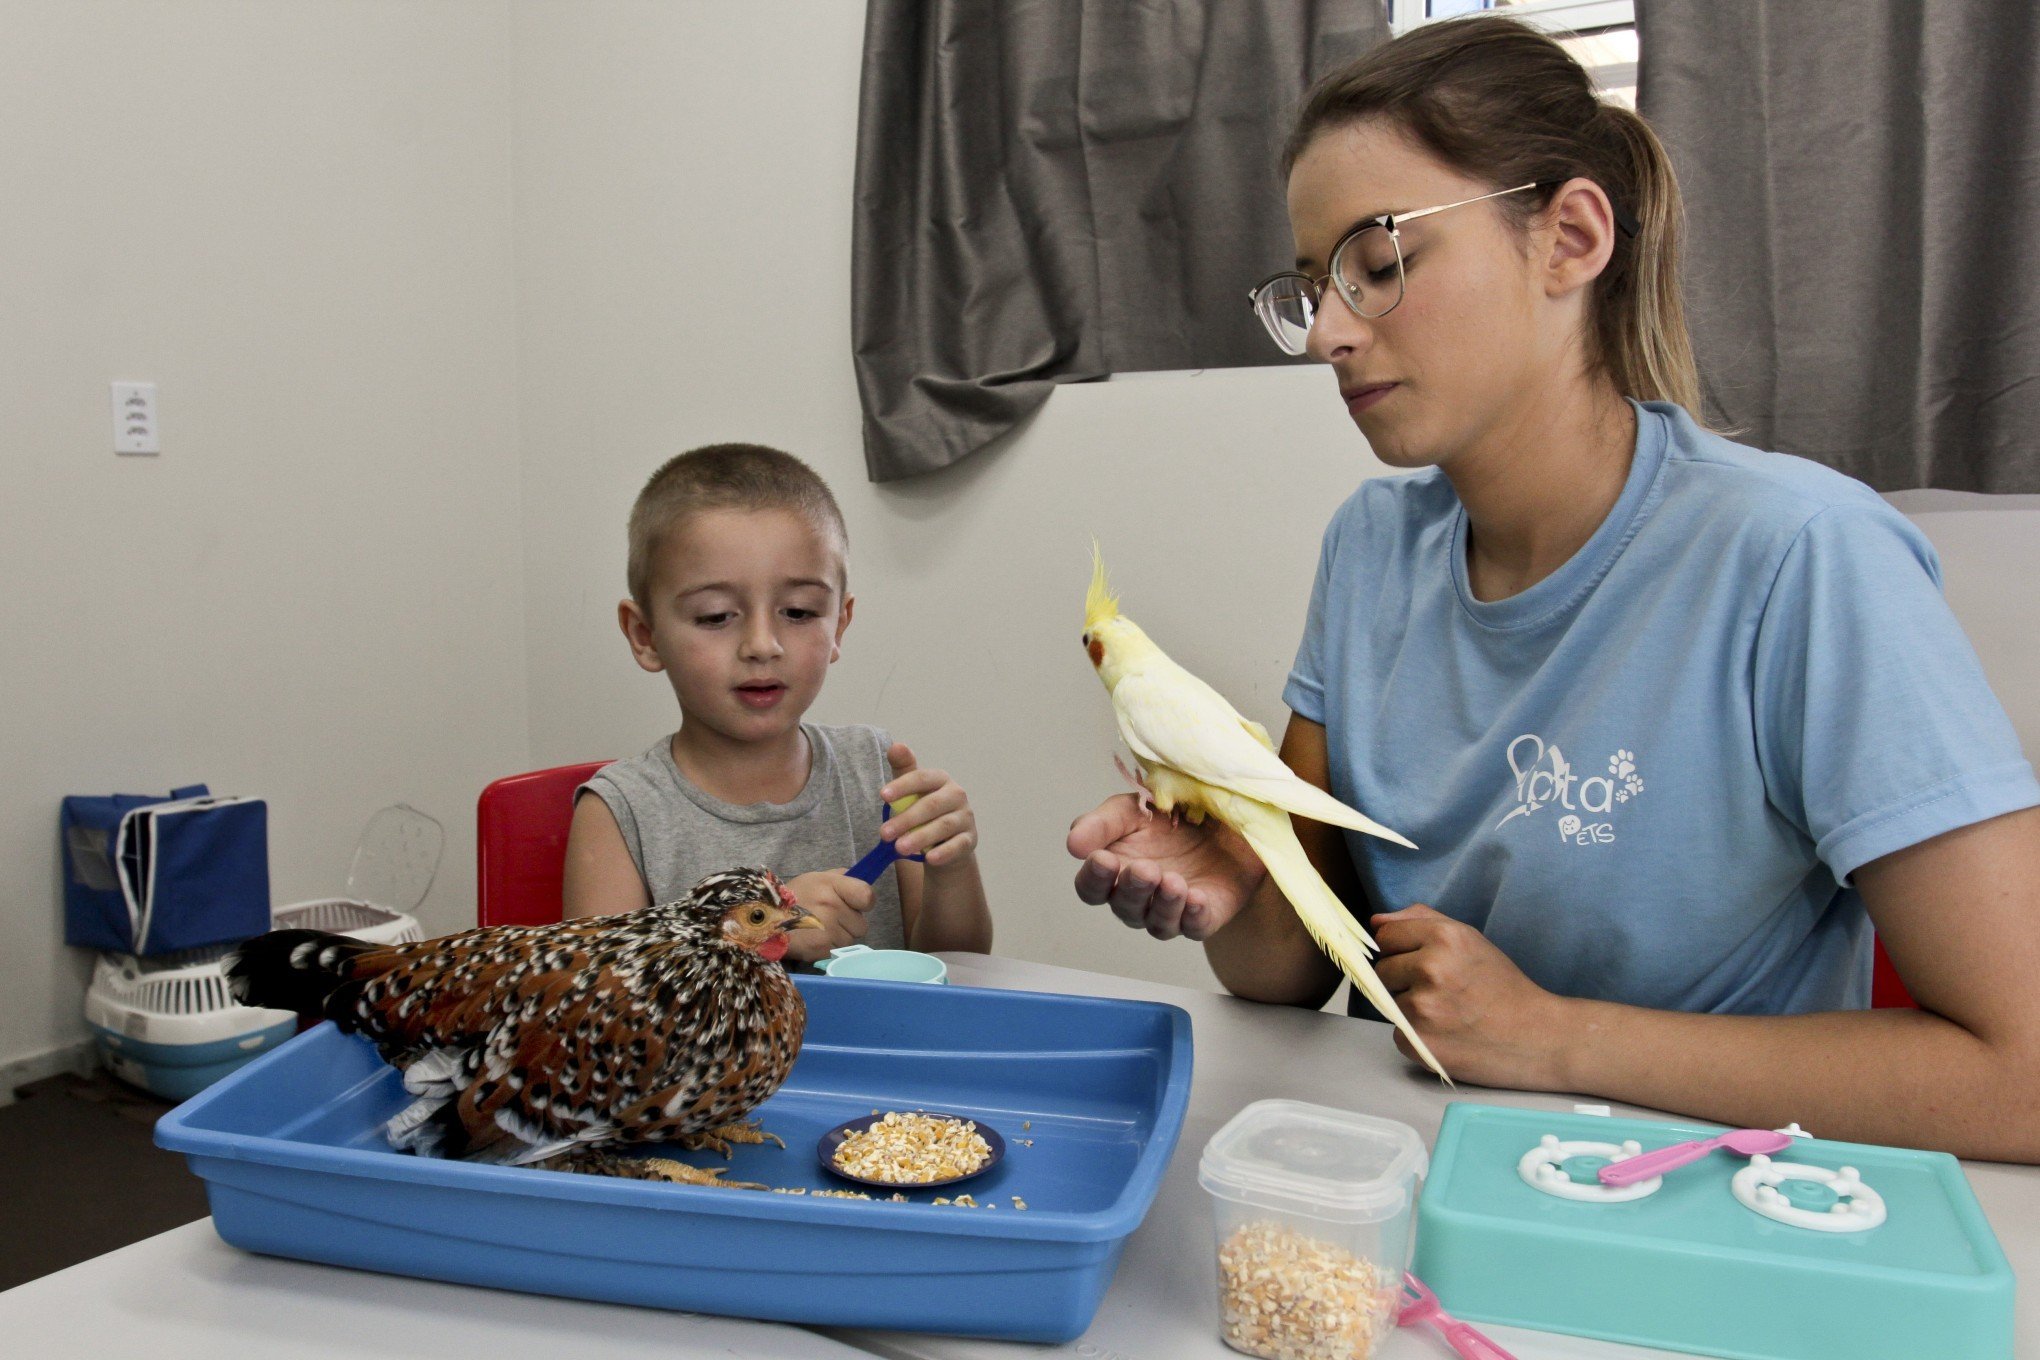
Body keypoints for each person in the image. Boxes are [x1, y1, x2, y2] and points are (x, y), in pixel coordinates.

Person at [1068, 16, 2040, 1160]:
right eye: (1310, 287)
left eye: (1377, 266)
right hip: (1431, 1179)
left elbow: (2019, 1076)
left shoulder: (1806, 559)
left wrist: (1553, 1037)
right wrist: (1236, 869)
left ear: (1569, 239)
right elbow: (1284, 971)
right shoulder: (1373, 548)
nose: (1328, 332)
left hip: (1712, 1217)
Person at [565, 442, 992, 966]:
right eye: (717, 616)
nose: (762, 644)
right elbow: (601, 1009)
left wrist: (953, 867)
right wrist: (759, 936)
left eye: (798, 610)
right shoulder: (621, 812)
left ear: (839, 624)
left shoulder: (873, 771)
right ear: (645, 635)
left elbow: (961, 968)